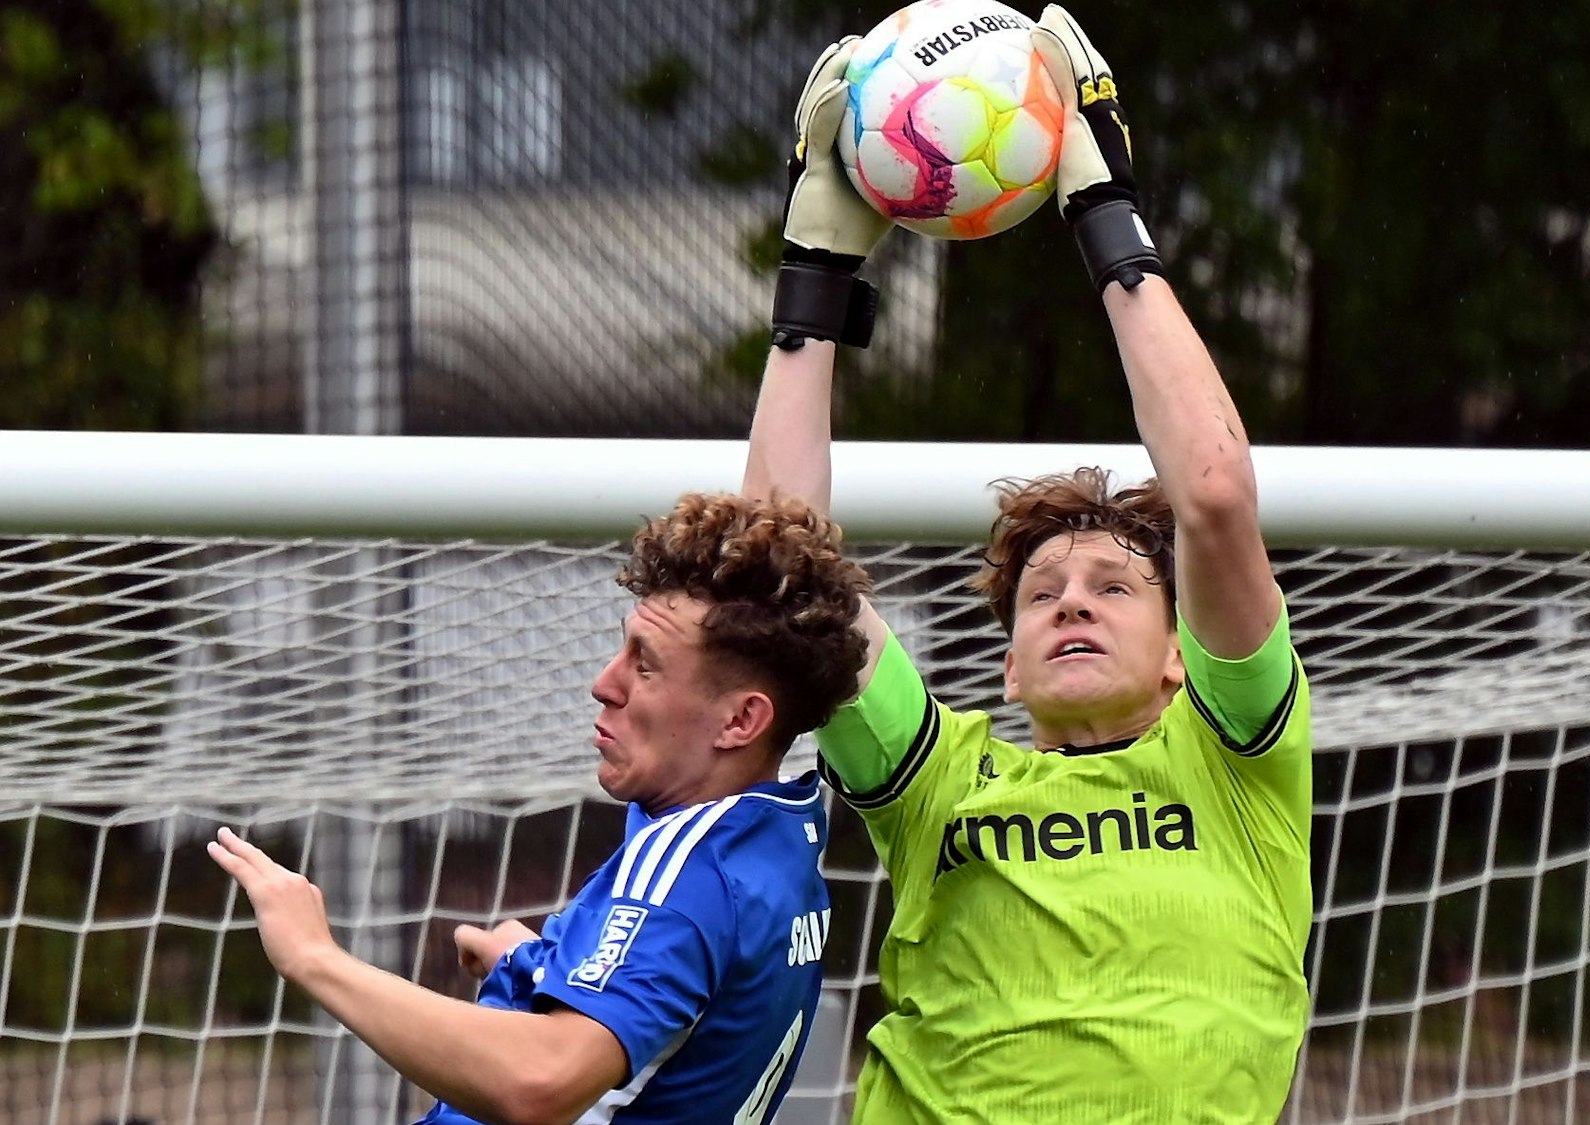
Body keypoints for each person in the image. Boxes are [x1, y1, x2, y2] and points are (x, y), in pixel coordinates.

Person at [748, 7, 1311, 1122]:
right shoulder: (939, 782)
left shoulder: (1237, 765)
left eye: (1113, 587)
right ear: (1007, 668)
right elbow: (781, 570)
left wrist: (1105, 214)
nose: (1070, 606)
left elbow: (1210, 492)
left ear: (1182, 657)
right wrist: (814, 271)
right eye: (1043, 596)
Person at [208, 493, 872, 1125]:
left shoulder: (690, 871)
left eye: (645, 666)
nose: (604, 683)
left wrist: (314, 955)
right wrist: (538, 965)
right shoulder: (779, 833)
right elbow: (686, 1009)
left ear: (740, 720)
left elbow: (542, 1081)